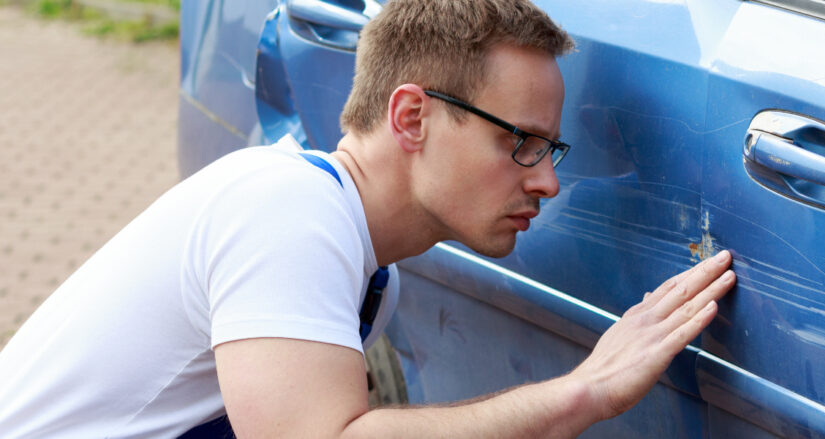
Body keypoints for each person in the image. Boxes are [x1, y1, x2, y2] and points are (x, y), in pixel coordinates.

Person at [0, 0, 735, 437]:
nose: (546, 180)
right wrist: (586, 391)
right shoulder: (286, 211)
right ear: (411, 116)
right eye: (521, 142)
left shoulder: (369, 276)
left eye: (551, 149)